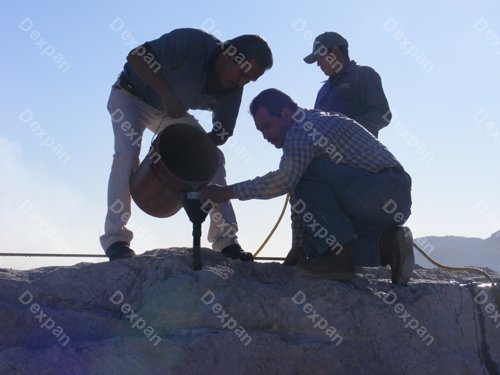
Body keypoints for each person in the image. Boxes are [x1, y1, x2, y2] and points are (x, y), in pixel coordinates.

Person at [200, 88, 414, 285]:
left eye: (267, 126)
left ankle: (340, 258)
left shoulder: (301, 129)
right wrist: (299, 246)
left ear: (285, 114)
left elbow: (286, 180)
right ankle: (389, 246)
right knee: (315, 249)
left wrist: (225, 192)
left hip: (382, 189)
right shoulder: (311, 124)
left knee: (306, 178)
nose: (265, 135)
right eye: (260, 130)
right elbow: (301, 198)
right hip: (390, 198)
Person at [100, 28, 273, 261]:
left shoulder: (233, 88)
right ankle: (116, 240)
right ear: (227, 52)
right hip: (130, 95)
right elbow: (136, 57)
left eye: (248, 79)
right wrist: (167, 93)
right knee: (127, 153)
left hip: (171, 112)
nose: (240, 81)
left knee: (215, 159)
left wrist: (195, 151)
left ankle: (226, 242)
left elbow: (222, 133)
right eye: (240, 71)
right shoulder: (191, 42)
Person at [304, 32, 391, 138]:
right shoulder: (323, 91)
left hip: (358, 154)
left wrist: (345, 129)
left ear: (335, 52)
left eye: (320, 58)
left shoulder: (364, 74)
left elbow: (383, 115)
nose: (318, 64)